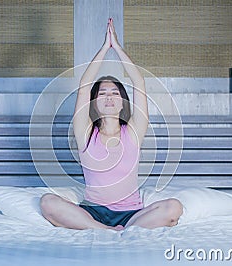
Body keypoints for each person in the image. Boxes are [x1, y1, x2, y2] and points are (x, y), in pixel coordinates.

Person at [40, 18, 182, 231]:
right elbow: (84, 86)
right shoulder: (85, 132)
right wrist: (104, 49)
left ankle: (123, 228)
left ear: (122, 102)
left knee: (174, 208)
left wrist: (116, 47)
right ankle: (104, 230)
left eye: (115, 93)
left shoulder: (133, 131)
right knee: (47, 202)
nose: (109, 98)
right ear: (94, 103)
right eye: (102, 94)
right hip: (93, 211)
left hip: (132, 213)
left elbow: (139, 83)